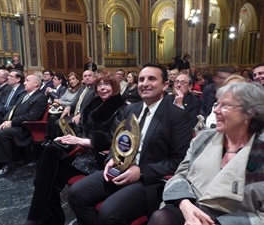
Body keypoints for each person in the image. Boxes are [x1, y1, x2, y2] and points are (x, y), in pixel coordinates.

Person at [68, 63, 193, 225]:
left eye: (152, 79)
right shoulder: (130, 109)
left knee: (108, 212)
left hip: (149, 180)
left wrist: (141, 171)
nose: (145, 83)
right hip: (120, 169)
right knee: (76, 194)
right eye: (141, 79)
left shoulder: (177, 116)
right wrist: (112, 159)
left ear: (165, 85)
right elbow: (118, 141)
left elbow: (178, 160)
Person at [148, 82, 264, 225]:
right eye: (217, 104)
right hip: (190, 204)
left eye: (225, 106)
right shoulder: (204, 138)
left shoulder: (260, 150)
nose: (216, 110)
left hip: (230, 219)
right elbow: (180, 174)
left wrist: (214, 223)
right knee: (161, 217)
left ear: (250, 112)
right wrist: (185, 204)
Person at [24, 71, 126, 225]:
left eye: (107, 84)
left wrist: (81, 140)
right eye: (99, 85)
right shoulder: (94, 103)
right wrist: (67, 137)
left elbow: (113, 140)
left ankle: (43, 217)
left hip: (99, 157)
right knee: (50, 152)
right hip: (81, 151)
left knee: (48, 177)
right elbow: (82, 129)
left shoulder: (122, 108)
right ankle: (43, 216)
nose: (102, 88)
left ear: (116, 86)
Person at [0, 75, 48, 178]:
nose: (24, 83)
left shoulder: (41, 97)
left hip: (26, 128)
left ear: (36, 84)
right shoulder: (24, 95)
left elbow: (32, 116)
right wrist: (6, 121)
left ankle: (8, 164)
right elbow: (13, 110)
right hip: (16, 124)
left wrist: (12, 123)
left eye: (27, 80)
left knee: (2, 133)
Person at [42, 72, 83, 146]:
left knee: (57, 121)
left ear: (78, 80)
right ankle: (49, 138)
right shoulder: (68, 89)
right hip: (62, 109)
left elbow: (73, 102)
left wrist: (61, 102)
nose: (71, 81)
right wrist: (58, 102)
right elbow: (61, 99)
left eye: (73, 79)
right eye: (70, 80)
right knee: (51, 117)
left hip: (71, 111)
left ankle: (54, 140)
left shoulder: (80, 89)